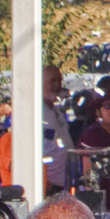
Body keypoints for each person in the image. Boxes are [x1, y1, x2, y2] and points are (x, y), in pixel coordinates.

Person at [42, 66, 76, 194]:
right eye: (52, 81)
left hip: (64, 184)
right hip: (47, 186)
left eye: (59, 81)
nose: (57, 85)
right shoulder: (36, 114)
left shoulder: (58, 112)